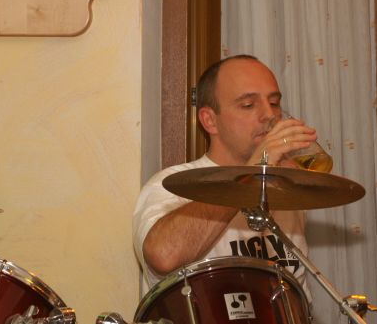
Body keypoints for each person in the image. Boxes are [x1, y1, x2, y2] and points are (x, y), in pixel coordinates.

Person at [133, 54, 319, 294]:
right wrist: (251, 173)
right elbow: (164, 256)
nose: (269, 114)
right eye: (248, 105)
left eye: (274, 103)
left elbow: (297, 298)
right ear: (209, 120)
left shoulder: (284, 186)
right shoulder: (170, 185)